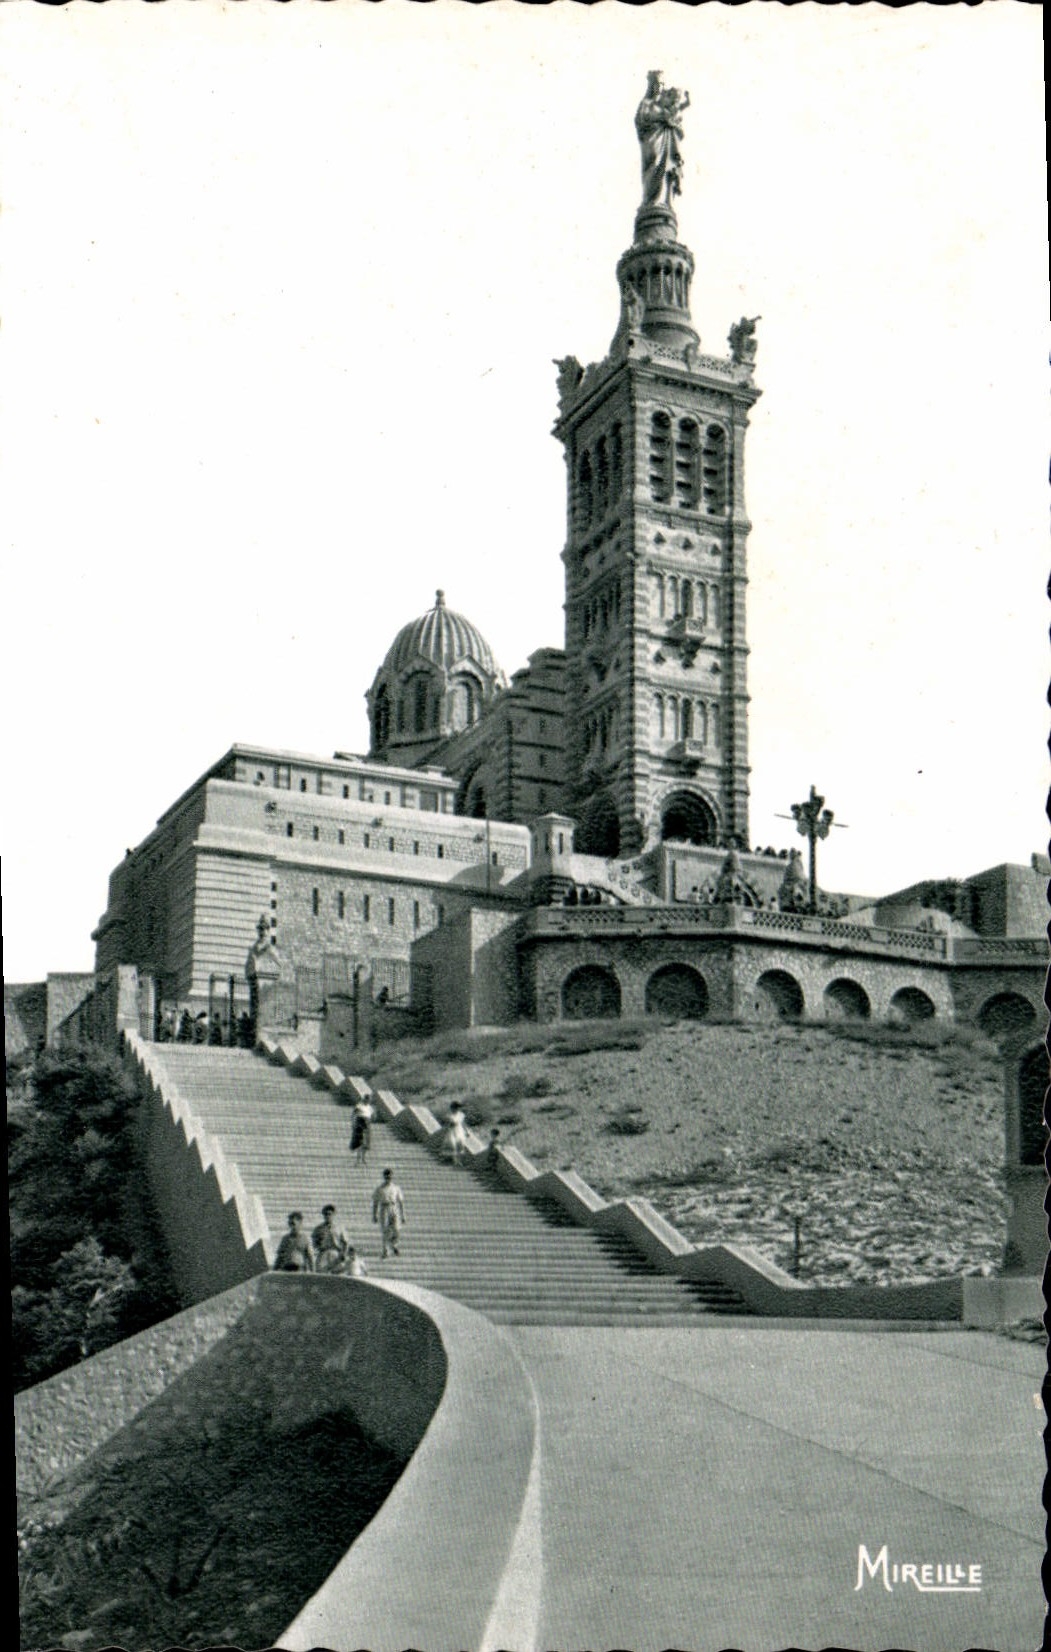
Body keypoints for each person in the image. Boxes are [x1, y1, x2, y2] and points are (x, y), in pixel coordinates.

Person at [372, 1167, 406, 1259]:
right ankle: (385, 1250)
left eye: (390, 1177)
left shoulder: (396, 1188)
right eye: (386, 1177)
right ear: (384, 1177)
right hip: (384, 1208)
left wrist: (403, 1215)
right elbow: (375, 1202)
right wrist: (374, 1215)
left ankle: (394, 1244)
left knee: (396, 1230)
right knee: (385, 1230)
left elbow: (401, 1202)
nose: (388, 1178)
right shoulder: (380, 1189)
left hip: (394, 1208)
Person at [312, 1204, 350, 1273]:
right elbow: (314, 1242)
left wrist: (343, 1254)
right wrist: (318, 1246)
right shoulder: (318, 1229)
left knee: (338, 1273)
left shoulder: (339, 1228)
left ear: (333, 1215)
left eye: (330, 1214)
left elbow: (345, 1243)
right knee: (321, 1273)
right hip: (323, 1253)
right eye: (326, 1214)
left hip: (335, 1253)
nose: (328, 1216)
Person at [350, 1097, 374, 1167]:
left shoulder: (370, 1107)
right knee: (359, 1143)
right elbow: (353, 1114)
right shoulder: (359, 1106)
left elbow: (372, 1116)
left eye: (368, 1100)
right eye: (366, 1100)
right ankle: (357, 1160)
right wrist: (353, 1123)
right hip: (360, 1124)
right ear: (364, 1100)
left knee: (366, 1143)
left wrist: (369, 1120)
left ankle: (363, 1158)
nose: (367, 1101)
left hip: (367, 1125)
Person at [444, 1102, 468, 1167]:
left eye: (458, 1108)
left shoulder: (461, 1115)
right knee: (453, 1146)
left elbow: (463, 1123)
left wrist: (466, 1131)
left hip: (459, 1130)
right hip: (452, 1131)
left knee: (461, 1145)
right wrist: (450, 1124)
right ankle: (455, 1161)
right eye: (455, 1108)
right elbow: (447, 1124)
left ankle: (459, 1161)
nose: (457, 1109)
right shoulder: (449, 1115)